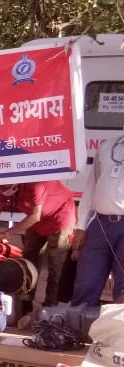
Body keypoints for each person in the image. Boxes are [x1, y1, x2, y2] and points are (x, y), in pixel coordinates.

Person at [0, 180, 75, 310]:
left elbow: (35, 216)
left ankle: (51, 306)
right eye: (0, 187)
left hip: (59, 219)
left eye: (4, 187)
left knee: (55, 265)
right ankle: (26, 303)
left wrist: (6, 233)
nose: (2, 189)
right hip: (36, 223)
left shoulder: (35, 184)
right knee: (28, 259)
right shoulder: (5, 187)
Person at [71, 128, 124, 307]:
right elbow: (91, 187)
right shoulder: (107, 147)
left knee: (123, 289)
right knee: (86, 281)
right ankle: (77, 331)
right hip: (99, 225)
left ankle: (117, 333)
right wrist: (81, 226)